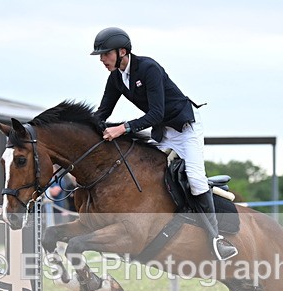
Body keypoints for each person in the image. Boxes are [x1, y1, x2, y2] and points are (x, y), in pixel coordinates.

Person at [90, 27, 238, 260]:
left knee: (197, 180)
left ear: (122, 52)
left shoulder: (149, 68)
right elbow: (102, 112)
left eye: (105, 54)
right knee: (144, 172)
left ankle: (217, 239)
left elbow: (156, 113)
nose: (101, 59)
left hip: (184, 128)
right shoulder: (117, 78)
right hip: (164, 131)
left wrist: (122, 128)